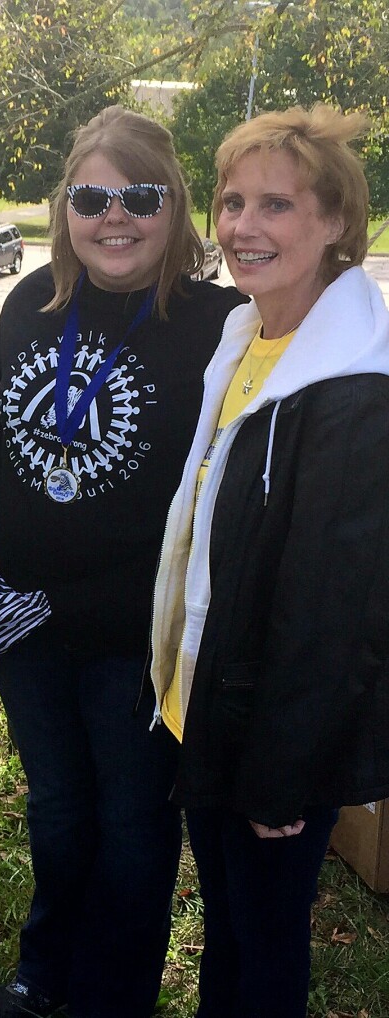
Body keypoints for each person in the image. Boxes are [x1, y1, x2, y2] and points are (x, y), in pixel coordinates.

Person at [0, 107, 245, 1018]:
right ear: (65, 208)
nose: (114, 217)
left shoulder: (220, 321)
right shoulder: (31, 300)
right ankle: (45, 968)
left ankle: (114, 992)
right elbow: (0, 431)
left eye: (140, 196)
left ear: (174, 205)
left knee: (132, 826)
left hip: (138, 636)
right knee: (58, 813)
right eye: (92, 197)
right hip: (29, 629)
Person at [150, 105, 389, 1017]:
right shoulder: (245, 337)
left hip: (272, 739)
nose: (244, 227)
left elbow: (336, 608)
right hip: (209, 702)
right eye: (233, 200)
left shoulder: (355, 387)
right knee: (230, 930)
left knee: (267, 945)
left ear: (336, 225)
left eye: (277, 206)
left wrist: (284, 771)